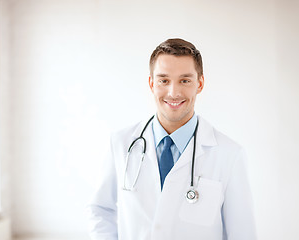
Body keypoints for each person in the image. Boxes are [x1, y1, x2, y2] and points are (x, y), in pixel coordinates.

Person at [87, 38, 256, 240]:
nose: (173, 92)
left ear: (199, 84)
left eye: (185, 80)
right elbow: (101, 210)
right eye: (163, 80)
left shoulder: (229, 154)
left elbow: (242, 234)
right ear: (151, 83)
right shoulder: (121, 144)